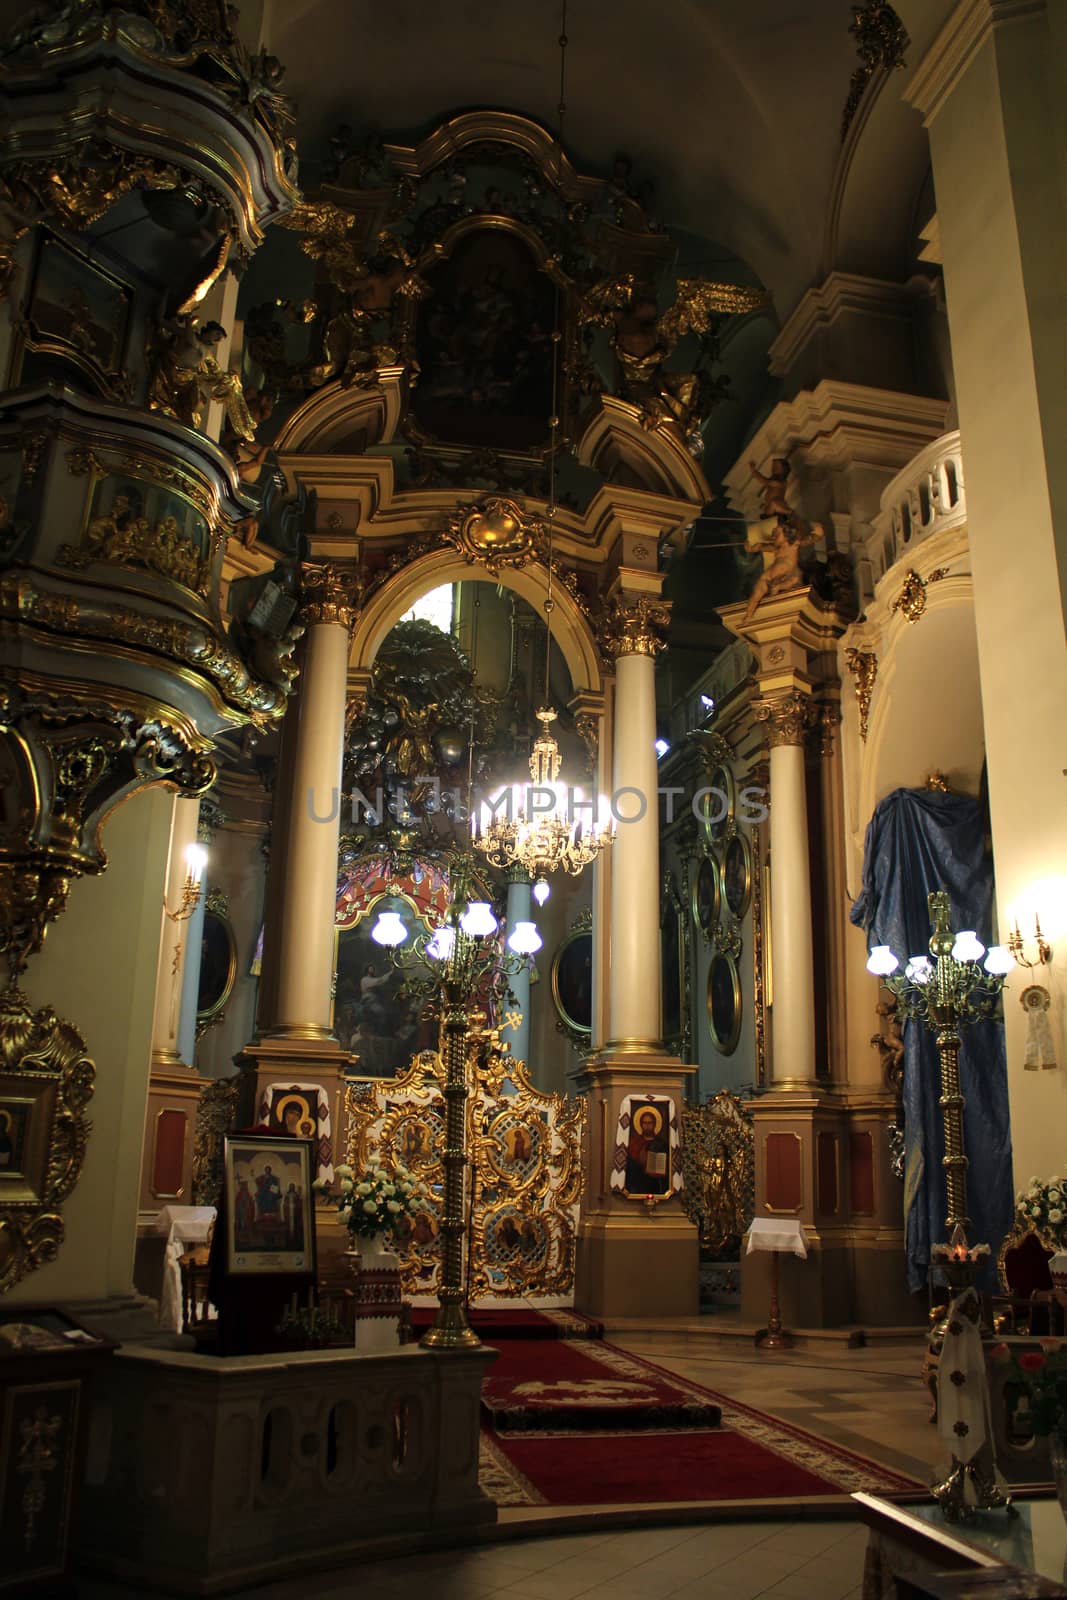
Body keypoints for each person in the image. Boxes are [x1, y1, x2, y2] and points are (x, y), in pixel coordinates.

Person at [625, 1106, 670, 1196]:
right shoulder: (635, 1143)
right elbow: (629, 1166)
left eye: (650, 1123)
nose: (647, 1126)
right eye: (644, 1123)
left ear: (655, 1124)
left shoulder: (661, 1144)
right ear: (640, 1124)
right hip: (638, 1182)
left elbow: (667, 1166)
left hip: (656, 1183)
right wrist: (640, 1162)